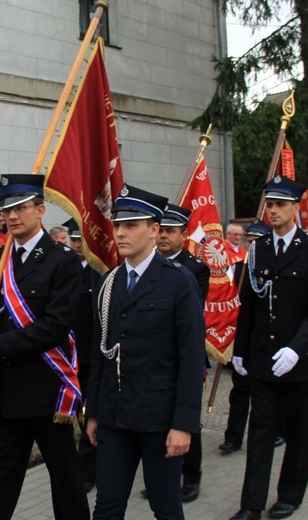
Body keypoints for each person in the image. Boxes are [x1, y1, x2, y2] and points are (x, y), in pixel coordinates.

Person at [85, 184, 205, 520]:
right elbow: (99, 353)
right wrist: (93, 412)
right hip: (114, 416)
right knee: (106, 507)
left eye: (131, 225)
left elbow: (192, 358)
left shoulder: (178, 282)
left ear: (154, 230)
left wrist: (184, 424)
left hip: (159, 419)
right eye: (118, 225)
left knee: (165, 507)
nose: (120, 232)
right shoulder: (108, 282)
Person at [0, 174, 90, 520]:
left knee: (66, 480)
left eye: (21, 208)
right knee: (0, 479)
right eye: (6, 210)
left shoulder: (63, 260)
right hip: (8, 393)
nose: (12, 216)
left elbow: (54, 328)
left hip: (47, 391)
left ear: (40, 210)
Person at [229, 176, 308, 520]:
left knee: (300, 434)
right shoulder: (258, 249)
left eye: (280, 205)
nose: (272, 211)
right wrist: (240, 350)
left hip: (298, 362)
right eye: (269, 205)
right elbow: (250, 304)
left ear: (294, 208)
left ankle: (290, 495)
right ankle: (251, 504)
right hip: (263, 359)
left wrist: (296, 349)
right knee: (259, 433)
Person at [155, 203, 210, 503]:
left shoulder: (196, 268)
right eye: (161, 230)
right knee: (159, 420)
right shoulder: (148, 262)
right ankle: (163, 477)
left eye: (170, 232)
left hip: (184, 355)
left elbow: (191, 311)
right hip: (155, 357)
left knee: (188, 420)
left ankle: (192, 476)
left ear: (184, 235)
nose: (163, 236)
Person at [219, 218, 272, 455]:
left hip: (269, 343)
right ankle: (233, 437)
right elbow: (227, 303)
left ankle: (271, 435)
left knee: (267, 396)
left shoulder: (275, 269)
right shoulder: (239, 269)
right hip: (244, 342)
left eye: (256, 242)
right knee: (239, 392)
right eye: (249, 242)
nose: (251, 247)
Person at [64, 218, 98, 493]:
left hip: (89, 355)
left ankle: (88, 470)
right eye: (73, 240)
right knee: (71, 412)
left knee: (89, 413)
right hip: (65, 356)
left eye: (81, 240)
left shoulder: (100, 273)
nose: (76, 245)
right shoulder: (65, 269)